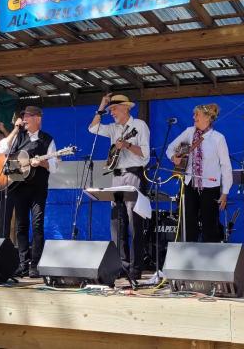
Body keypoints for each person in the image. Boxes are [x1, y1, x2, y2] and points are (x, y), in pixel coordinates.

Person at [89, 93, 150, 281]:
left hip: (134, 173)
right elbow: (92, 128)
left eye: (114, 108)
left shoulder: (139, 125)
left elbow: (145, 155)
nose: (112, 112)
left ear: (126, 108)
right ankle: (121, 265)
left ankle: (135, 266)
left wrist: (128, 145)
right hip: (116, 176)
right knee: (117, 222)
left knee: (134, 222)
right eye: (111, 109)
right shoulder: (112, 128)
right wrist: (102, 105)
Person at [0, 106, 57, 278]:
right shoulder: (18, 137)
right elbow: (2, 149)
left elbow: (54, 166)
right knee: (20, 226)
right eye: (23, 116)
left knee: (37, 225)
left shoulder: (47, 140)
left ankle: (35, 265)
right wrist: (15, 129)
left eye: (28, 116)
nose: (24, 119)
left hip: (38, 188)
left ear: (38, 118)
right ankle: (23, 264)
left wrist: (42, 163)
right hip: (18, 187)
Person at [166, 103, 232, 242]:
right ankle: (191, 258)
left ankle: (210, 260)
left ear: (207, 118)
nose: (193, 117)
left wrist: (225, 192)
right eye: (194, 114)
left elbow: (226, 166)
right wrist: (174, 158)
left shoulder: (218, 138)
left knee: (210, 226)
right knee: (189, 224)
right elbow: (170, 148)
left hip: (210, 187)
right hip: (189, 185)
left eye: (197, 114)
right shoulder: (189, 132)